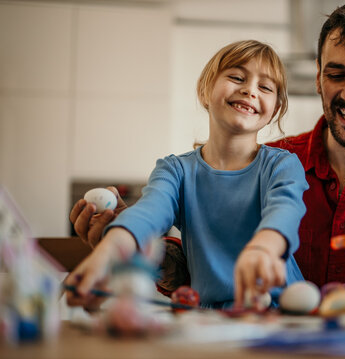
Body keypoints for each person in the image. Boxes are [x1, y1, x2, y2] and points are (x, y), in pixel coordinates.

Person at [71, 1, 345, 313]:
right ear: (319, 74)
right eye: (337, 73)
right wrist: (134, 246)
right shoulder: (269, 160)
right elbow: (205, 264)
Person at [65, 40, 309, 310]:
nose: (250, 89)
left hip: (283, 311)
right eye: (237, 77)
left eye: (265, 87)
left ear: (274, 110)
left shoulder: (282, 165)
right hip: (210, 320)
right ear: (205, 91)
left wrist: (263, 249)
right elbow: (148, 213)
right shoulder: (176, 171)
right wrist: (108, 251)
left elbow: (284, 212)